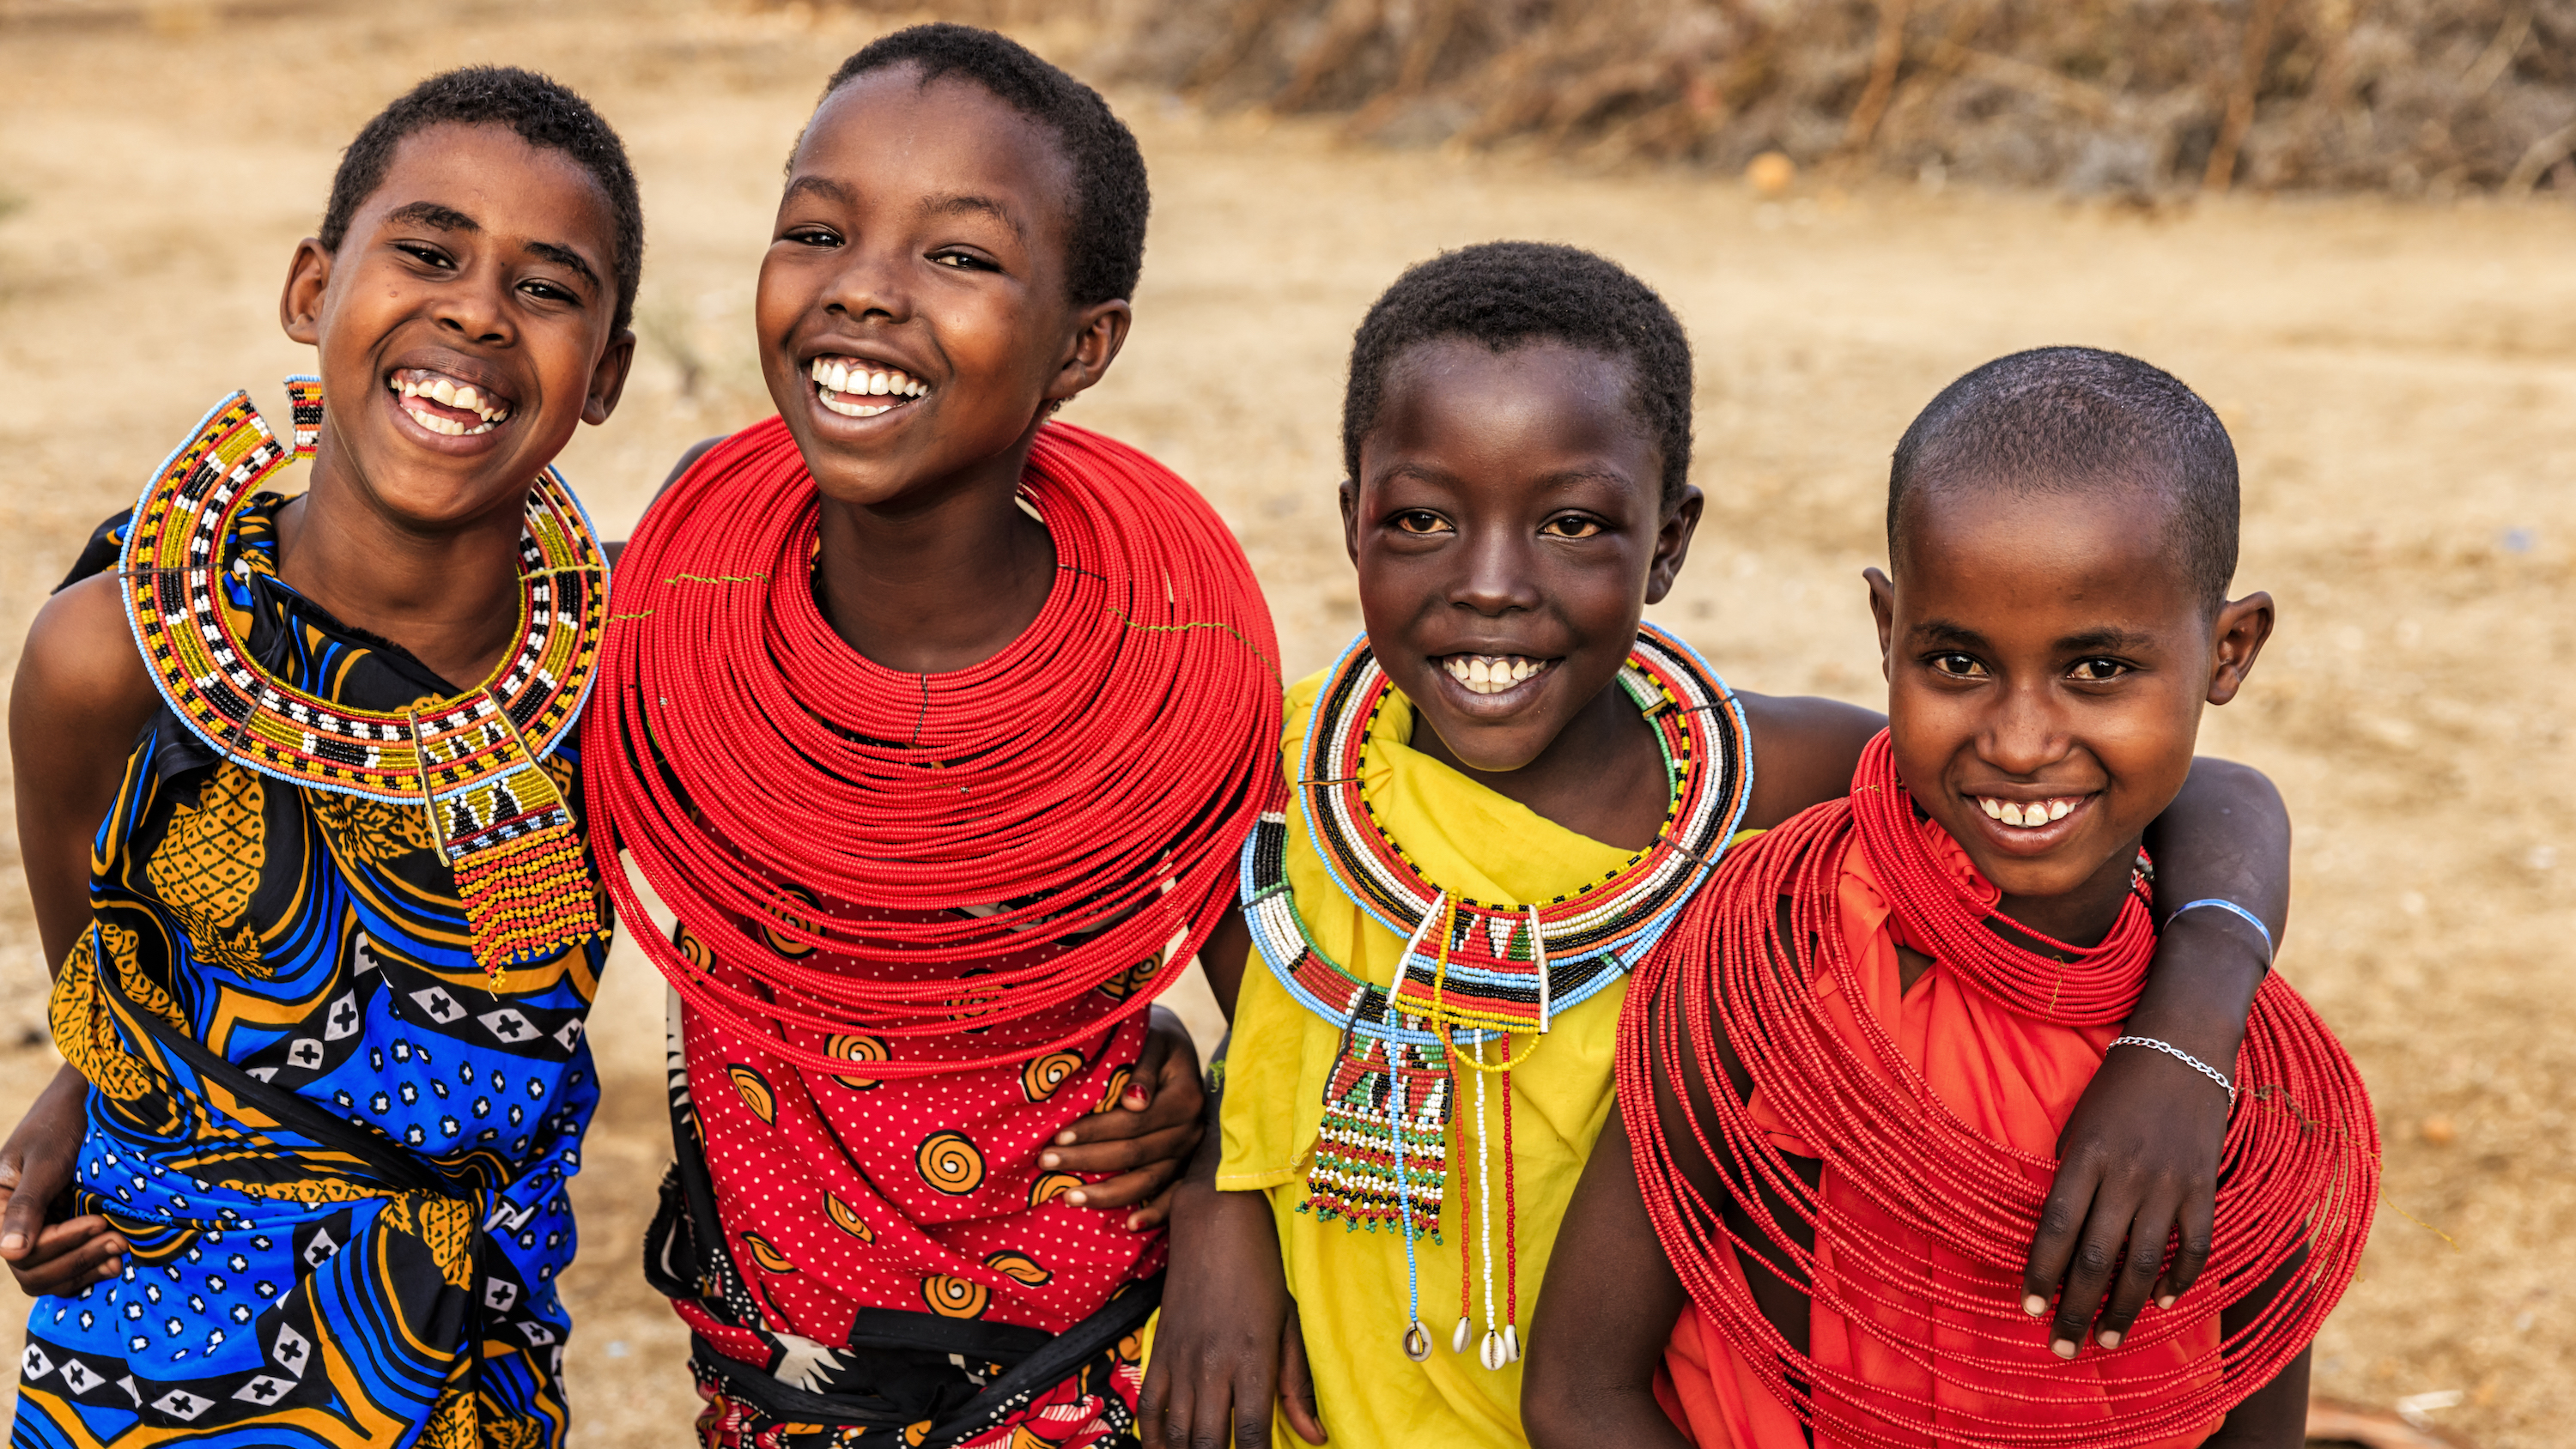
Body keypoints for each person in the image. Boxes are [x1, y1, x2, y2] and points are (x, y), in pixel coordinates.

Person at [1142, 247, 2301, 1449]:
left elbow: (2215, 799)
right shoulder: (1275, 780)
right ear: (1352, 522)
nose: (1491, 586)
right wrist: (1214, 1203)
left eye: (1574, 524)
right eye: (1423, 519)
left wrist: (2187, 1043)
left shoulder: (1776, 787)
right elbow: (1261, 1044)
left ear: (1669, 541)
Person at [580, 26, 1273, 1449]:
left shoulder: (1156, 673)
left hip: (1078, 1372)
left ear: (1084, 346)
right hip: (767, 1383)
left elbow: (1286, 1017)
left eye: (957, 256)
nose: (865, 288)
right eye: (818, 229)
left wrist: (1213, 1190)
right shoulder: (684, 593)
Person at [1520, 346, 2375, 1449]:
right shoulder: (1768, 962)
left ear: (2230, 649)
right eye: (1958, 664)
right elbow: (1578, 1394)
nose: (2020, 742)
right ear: (1887, 634)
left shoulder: (2251, 1092)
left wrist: (2186, 1048)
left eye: (2099, 671)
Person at [3, 67, 641, 1446]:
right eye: (427, 251)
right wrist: (90, 1085)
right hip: (153, 1339)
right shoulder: (107, 656)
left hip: (481, 1355)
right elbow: (100, 959)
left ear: (609, 376)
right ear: (311, 291)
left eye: (548, 286)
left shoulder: (633, 671)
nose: (476, 308)